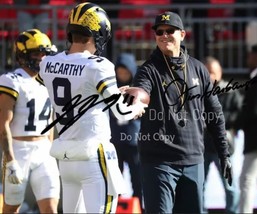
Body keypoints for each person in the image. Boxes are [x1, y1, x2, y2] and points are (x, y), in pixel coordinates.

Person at [37, 2, 147, 213]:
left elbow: (75, 87)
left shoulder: (47, 64)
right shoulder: (98, 65)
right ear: (96, 35)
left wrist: (110, 93)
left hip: (66, 158)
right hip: (93, 157)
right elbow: (121, 111)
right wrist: (137, 107)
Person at [129, 11, 232, 213]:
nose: (164, 35)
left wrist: (224, 153)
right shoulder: (148, 70)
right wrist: (135, 98)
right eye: (160, 31)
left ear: (182, 34)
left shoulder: (198, 68)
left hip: (193, 159)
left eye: (170, 31)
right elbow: (142, 90)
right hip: (159, 162)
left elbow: (215, 113)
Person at [0, 28, 60, 213]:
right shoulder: (12, 80)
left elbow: (49, 122)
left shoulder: (48, 81)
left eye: (45, 53)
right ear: (22, 56)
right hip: (19, 150)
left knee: (50, 207)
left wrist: (49, 151)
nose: (42, 58)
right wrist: (10, 160)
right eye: (37, 53)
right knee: (12, 207)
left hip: (43, 150)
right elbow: (3, 123)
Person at [203, 56, 242, 213]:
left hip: (224, 147)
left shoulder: (230, 91)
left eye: (213, 72)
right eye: (207, 73)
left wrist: (220, 122)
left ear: (220, 72)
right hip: (202, 146)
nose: (210, 76)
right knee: (198, 185)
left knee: (230, 186)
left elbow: (240, 114)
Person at [109, 53, 143, 206]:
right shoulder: (110, 89)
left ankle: (139, 207)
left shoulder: (139, 88)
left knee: (138, 178)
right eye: (120, 71)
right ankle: (117, 207)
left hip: (134, 141)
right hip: (115, 140)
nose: (122, 75)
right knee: (115, 180)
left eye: (125, 71)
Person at [236, 44, 257, 213]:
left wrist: (235, 123)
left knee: (246, 179)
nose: (248, 59)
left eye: (250, 56)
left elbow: (254, 109)